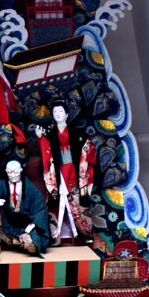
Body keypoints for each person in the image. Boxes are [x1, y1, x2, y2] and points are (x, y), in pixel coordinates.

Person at [36, 103, 96, 241]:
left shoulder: (78, 134)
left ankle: (85, 234)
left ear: (67, 114)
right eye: (55, 111)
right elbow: (47, 152)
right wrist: (41, 138)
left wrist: (85, 158)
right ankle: (53, 236)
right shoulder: (50, 135)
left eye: (61, 111)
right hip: (59, 171)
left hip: (75, 171)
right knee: (55, 202)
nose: (57, 114)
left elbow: (88, 149)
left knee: (79, 201)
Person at [0, 158, 50, 255]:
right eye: (10, 172)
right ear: (6, 172)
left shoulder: (30, 188)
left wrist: (34, 224)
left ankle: (24, 242)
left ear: (21, 170)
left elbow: (40, 208)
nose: (13, 176)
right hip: (7, 221)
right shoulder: (3, 184)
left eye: (15, 172)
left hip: (24, 222)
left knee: (33, 245)